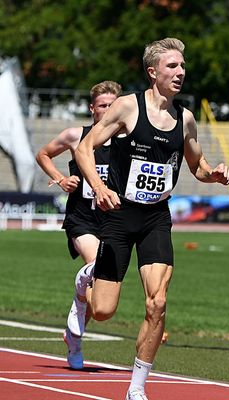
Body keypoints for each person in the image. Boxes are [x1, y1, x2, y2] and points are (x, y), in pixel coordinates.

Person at [75, 37, 229, 400]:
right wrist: (98, 186)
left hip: (155, 218)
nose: (181, 72)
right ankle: (86, 281)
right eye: (172, 66)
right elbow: (85, 148)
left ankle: (137, 387)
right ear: (153, 72)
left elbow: (198, 166)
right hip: (118, 214)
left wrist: (215, 174)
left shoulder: (186, 119)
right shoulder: (127, 108)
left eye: (182, 66)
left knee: (157, 303)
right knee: (102, 311)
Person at [36, 80, 122, 370]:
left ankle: (74, 338)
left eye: (113, 105)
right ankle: (78, 311)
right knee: (96, 264)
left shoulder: (128, 139)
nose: (108, 110)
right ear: (92, 109)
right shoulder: (76, 136)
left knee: (100, 295)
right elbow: (43, 154)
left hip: (114, 221)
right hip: (82, 218)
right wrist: (62, 179)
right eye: (102, 106)